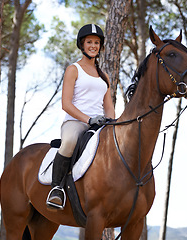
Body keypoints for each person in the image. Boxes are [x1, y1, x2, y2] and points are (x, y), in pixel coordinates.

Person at [46, 24, 115, 211]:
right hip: (75, 122)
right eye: (89, 42)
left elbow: (108, 107)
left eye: (97, 42)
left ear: (100, 47)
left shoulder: (104, 76)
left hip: (99, 125)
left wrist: (111, 123)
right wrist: (88, 120)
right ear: (82, 45)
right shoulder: (73, 69)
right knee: (68, 142)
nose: (93, 45)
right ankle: (57, 189)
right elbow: (66, 104)